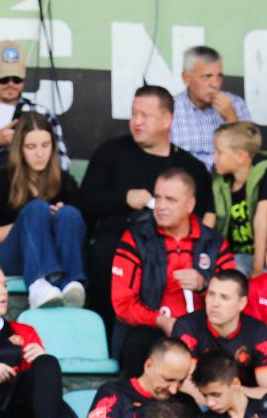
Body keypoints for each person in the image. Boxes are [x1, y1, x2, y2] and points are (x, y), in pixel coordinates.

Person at [77, 87, 213, 320]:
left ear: (166, 119)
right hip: (116, 247)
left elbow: (207, 217)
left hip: (171, 251)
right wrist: (125, 199)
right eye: (134, 114)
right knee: (103, 252)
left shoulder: (190, 167)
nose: (137, 122)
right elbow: (85, 202)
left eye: (145, 116)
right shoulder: (111, 152)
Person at [109, 166, 234, 375]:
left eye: (171, 200)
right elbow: (123, 303)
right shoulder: (136, 238)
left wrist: (204, 286)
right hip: (152, 331)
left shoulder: (214, 243)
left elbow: (231, 296)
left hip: (203, 331)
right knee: (138, 342)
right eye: (158, 198)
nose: (161, 206)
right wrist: (162, 321)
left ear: (190, 204)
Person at [0, 111, 86, 310]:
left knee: (69, 214)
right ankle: (38, 284)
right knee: (36, 210)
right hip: (11, 258)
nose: (39, 153)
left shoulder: (65, 181)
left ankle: (72, 283)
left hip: (58, 257)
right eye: (31, 146)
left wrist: (55, 221)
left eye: (45, 145)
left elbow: (82, 228)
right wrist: (27, 224)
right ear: (20, 149)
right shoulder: (2, 179)